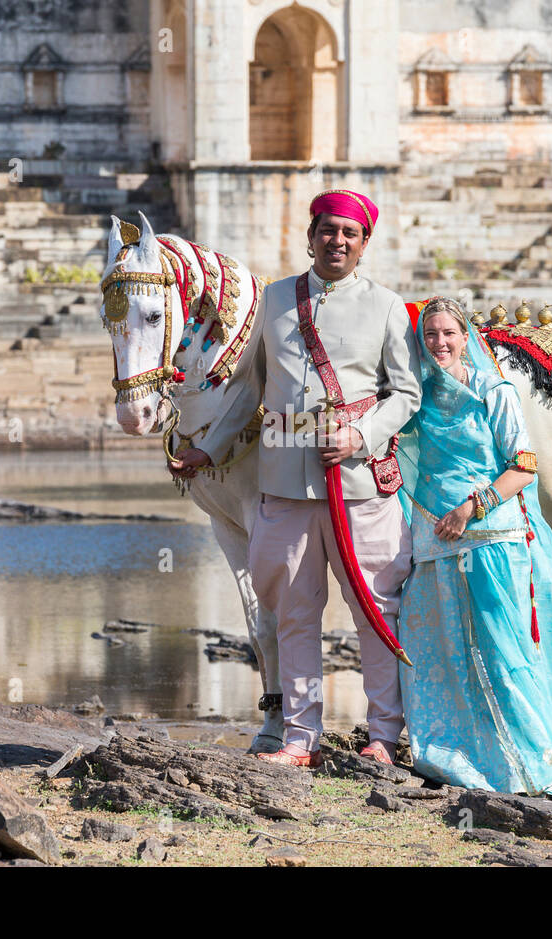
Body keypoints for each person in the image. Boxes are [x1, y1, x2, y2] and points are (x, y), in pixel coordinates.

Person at [169, 189, 421, 768]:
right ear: (310, 236)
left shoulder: (386, 306)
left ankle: (383, 732)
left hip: (357, 481)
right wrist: (209, 449)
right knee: (290, 611)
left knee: (376, 609)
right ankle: (299, 737)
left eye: (349, 234)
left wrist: (361, 435)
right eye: (327, 230)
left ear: (364, 245)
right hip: (283, 485)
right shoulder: (276, 300)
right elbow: (250, 392)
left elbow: (407, 394)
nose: (337, 241)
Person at [393, 296, 552, 796]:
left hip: (493, 537)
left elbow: (523, 465)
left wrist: (472, 507)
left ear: (465, 336)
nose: (440, 343)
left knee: (505, 651)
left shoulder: (494, 390)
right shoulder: (418, 397)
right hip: (436, 544)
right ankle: (465, 752)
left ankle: (532, 763)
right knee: (443, 651)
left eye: (449, 334)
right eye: (430, 335)